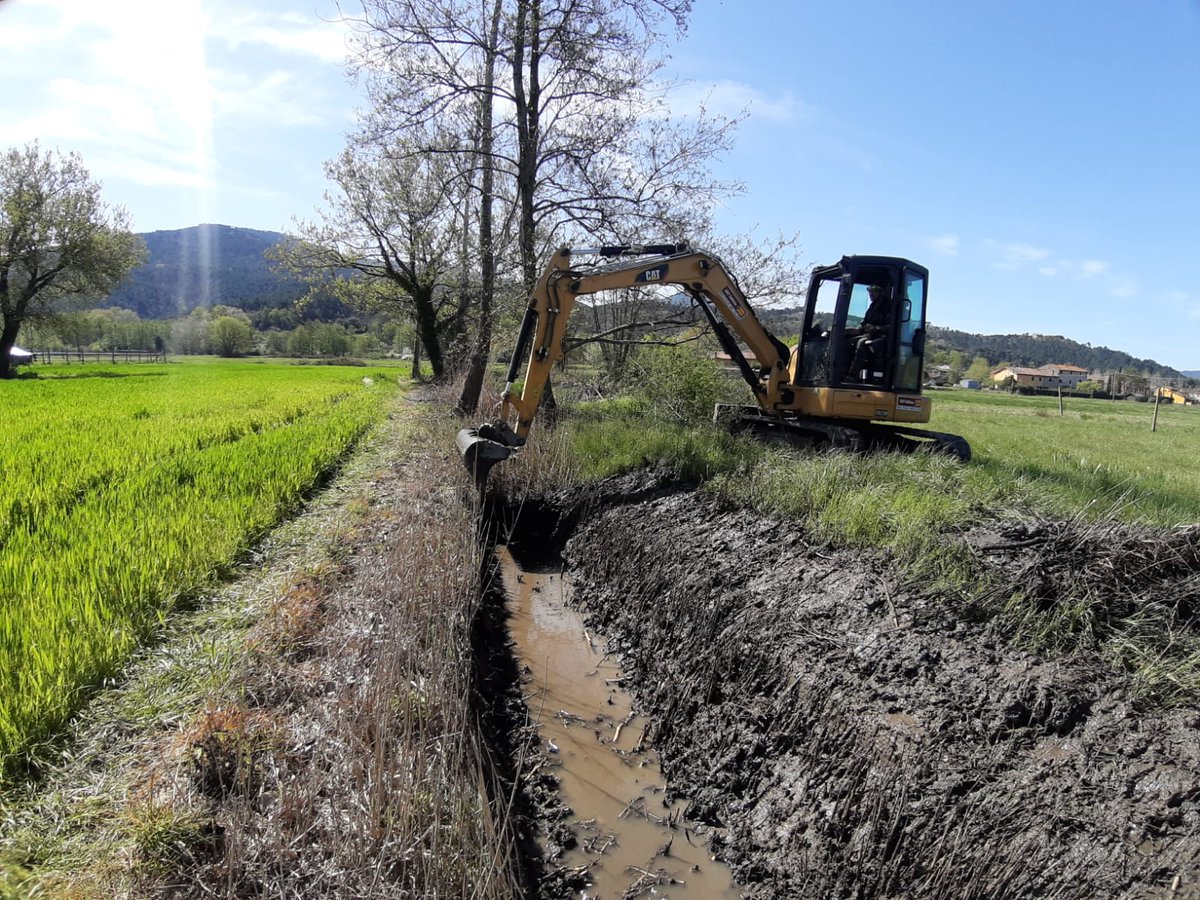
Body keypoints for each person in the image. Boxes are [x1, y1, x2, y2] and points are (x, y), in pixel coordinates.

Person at [847, 284, 890, 381]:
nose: (871, 294)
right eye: (869, 292)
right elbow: (863, 325)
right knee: (846, 341)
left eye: (873, 292)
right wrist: (849, 330)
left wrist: (876, 328)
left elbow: (892, 326)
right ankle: (840, 373)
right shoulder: (872, 307)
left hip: (882, 337)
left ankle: (852, 376)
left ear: (880, 292)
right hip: (869, 334)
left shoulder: (888, 306)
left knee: (862, 343)